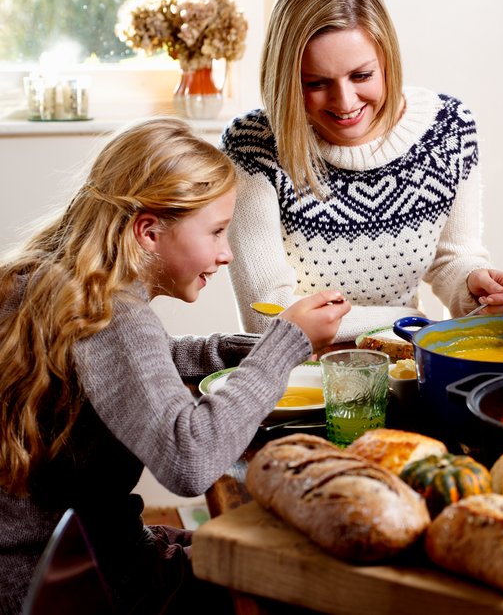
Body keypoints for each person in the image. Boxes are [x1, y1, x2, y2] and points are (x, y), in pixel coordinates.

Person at [0, 117, 350, 614]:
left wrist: (251, 346)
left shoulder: (55, 280)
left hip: (43, 559)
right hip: (70, 582)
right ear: (148, 231)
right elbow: (191, 460)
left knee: (240, 554)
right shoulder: (115, 315)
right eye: (216, 232)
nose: (227, 254)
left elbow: (137, 366)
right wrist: (285, 345)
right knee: (294, 585)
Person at [221, 0, 503, 343]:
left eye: (362, 76)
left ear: (387, 61)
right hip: (302, 380)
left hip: (403, 369)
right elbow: (268, 318)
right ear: (286, 79)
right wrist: (408, 319)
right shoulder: (253, 145)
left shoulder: (449, 129)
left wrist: (474, 286)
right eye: (316, 83)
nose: (345, 102)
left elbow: (452, 259)